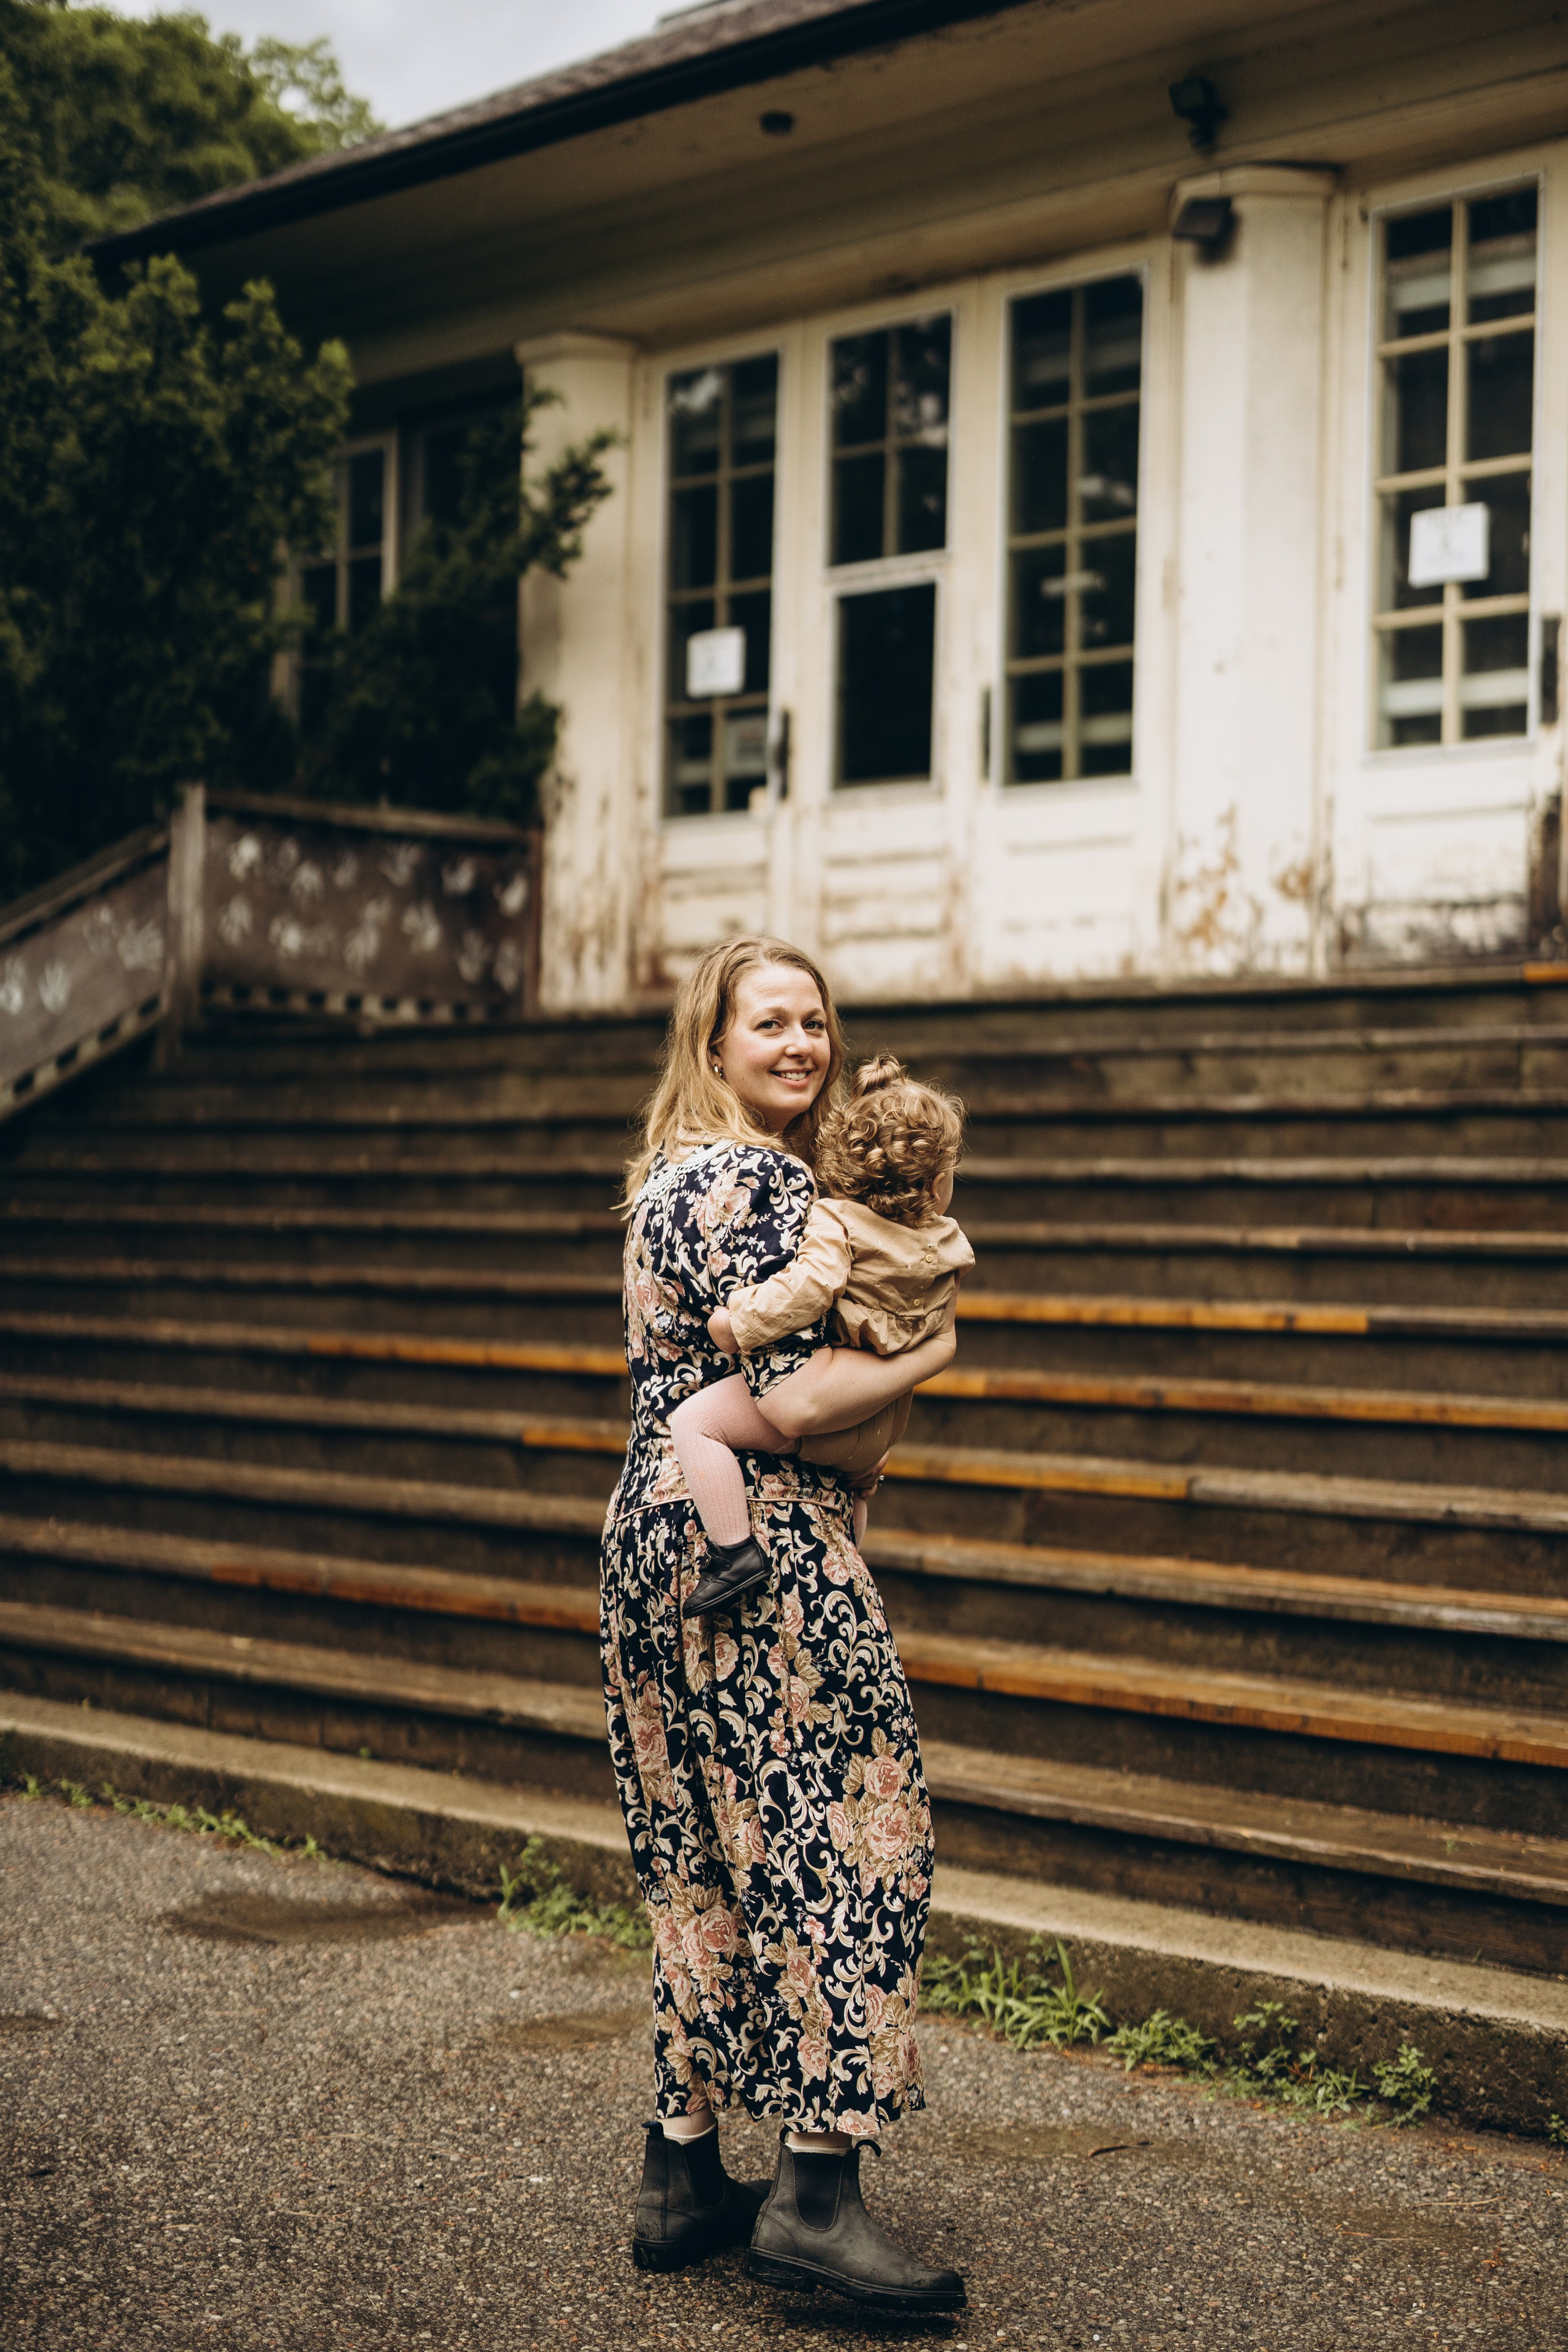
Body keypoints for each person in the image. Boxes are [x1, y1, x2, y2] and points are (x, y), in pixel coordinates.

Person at [604, 935, 966, 2313]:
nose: (803, 1043)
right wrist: (934, 1353)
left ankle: (682, 2172)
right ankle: (815, 2196)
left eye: (816, 1020)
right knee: (851, 1826)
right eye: (771, 1023)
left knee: (700, 1847)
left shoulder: (662, 1190)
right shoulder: (761, 1183)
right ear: (714, 1045)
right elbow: (808, 1396)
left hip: (653, 1531)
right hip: (760, 1540)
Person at [668, 1055, 974, 1615]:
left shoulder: (838, 1221)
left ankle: (733, 1552)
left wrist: (736, 1323)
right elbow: (938, 1336)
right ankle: (850, 1565)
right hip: (880, 1430)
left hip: (827, 1414)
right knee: (856, 1494)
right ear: (933, 1182)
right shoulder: (949, 1246)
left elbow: (807, 1288)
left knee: (695, 1422)